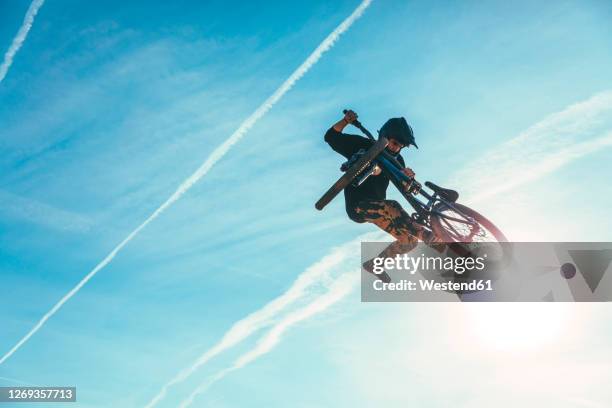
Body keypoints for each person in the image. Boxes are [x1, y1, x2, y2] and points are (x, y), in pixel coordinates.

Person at [324, 110, 442, 282]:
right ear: (386, 136)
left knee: (409, 241)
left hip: (381, 210)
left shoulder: (397, 161)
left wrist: (407, 178)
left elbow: (404, 188)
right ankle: (425, 234)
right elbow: (331, 137)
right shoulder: (362, 145)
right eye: (394, 143)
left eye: (400, 146)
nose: (396, 148)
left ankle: (375, 265)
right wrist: (345, 121)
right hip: (359, 206)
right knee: (391, 205)